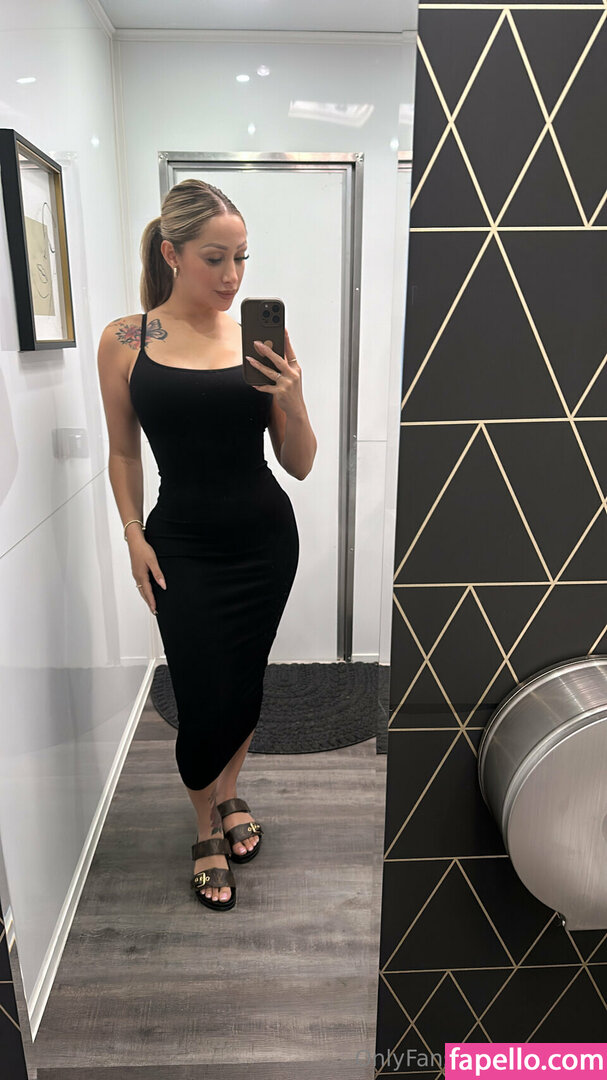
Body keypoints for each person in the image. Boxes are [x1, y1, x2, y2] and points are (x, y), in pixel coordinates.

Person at [97, 178, 317, 910]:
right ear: (172, 254)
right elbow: (123, 452)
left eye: (242, 258)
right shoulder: (126, 340)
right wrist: (132, 534)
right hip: (180, 547)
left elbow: (300, 463)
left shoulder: (259, 338)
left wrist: (290, 395)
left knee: (244, 682)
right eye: (215, 258)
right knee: (200, 690)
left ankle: (229, 794)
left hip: (264, 542)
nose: (232, 276)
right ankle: (204, 824)